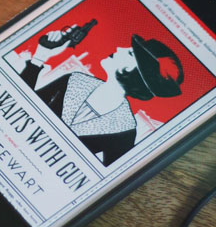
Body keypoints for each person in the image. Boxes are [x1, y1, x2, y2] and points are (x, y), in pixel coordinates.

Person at [19, 30, 184, 166]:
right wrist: (40, 56)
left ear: (132, 69)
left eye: (129, 52)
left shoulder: (125, 130)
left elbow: (110, 176)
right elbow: (20, 103)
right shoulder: (75, 80)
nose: (119, 48)